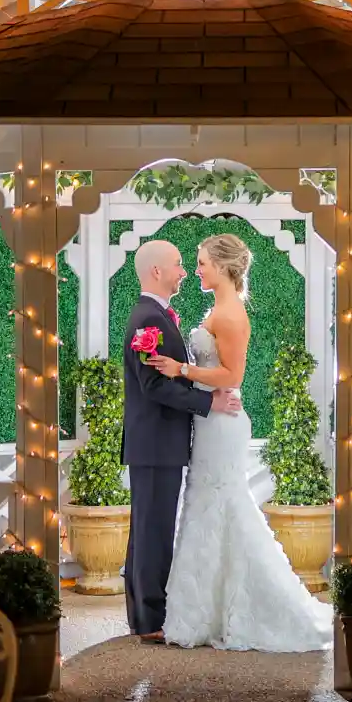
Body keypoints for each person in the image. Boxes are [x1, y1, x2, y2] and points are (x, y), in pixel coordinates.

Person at [143, 233, 333, 653]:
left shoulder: (230, 316)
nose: (196, 270)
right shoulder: (218, 309)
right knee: (209, 506)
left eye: (203, 263)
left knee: (221, 504)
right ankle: (203, 610)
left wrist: (181, 370)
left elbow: (232, 377)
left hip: (223, 423)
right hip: (212, 419)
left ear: (225, 267)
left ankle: (228, 611)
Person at [120, 239, 240, 644]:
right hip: (155, 442)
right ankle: (150, 620)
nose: (185, 271)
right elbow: (154, 385)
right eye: (177, 264)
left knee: (147, 530)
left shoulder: (154, 315)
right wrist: (208, 402)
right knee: (152, 531)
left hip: (156, 442)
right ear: (157, 272)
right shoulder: (147, 320)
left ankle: (142, 615)